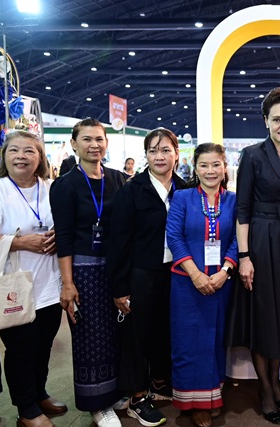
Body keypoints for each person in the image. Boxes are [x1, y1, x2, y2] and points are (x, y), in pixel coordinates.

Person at [230, 86, 280, 425]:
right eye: (276, 119)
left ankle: (276, 385)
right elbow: (243, 209)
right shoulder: (252, 155)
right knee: (264, 315)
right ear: (266, 120)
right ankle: (265, 389)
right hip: (261, 241)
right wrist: (245, 256)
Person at [0, 131, 66, 427]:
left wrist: (60, 235)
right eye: (14, 150)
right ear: (4, 156)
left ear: (40, 157)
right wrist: (21, 242)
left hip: (49, 285)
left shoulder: (51, 188)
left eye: (29, 151)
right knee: (21, 349)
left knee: (43, 345)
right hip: (14, 287)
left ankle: (39, 393)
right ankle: (27, 409)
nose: (21, 156)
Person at [107, 128, 186, 427]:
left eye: (165, 150)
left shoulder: (185, 189)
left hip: (176, 272)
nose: (159, 156)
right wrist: (119, 287)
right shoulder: (131, 191)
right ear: (146, 156)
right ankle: (137, 397)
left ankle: (160, 381)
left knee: (166, 330)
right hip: (141, 273)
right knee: (137, 336)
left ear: (176, 153)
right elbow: (118, 243)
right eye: (153, 151)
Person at [50, 118, 126, 427]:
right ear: (74, 144)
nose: (94, 145)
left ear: (106, 143)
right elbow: (63, 237)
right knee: (89, 337)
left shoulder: (119, 179)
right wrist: (67, 283)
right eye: (87, 139)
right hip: (83, 271)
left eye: (99, 139)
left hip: (115, 267)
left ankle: (115, 391)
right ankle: (97, 403)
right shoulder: (66, 185)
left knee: (116, 333)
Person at [166, 143, 237, 427]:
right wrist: (195, 274)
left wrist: (225, 271)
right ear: (195, 168)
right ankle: (194, 403)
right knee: (186, 342)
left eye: (216, 164)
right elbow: (174, 236)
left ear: (224, 167)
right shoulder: (182, 197)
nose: (210, 171)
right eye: (204, 165)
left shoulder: (233, 200)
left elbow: (238, 240)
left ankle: (212, 398)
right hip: (186, 283)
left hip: (221, 283)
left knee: (214, 340)